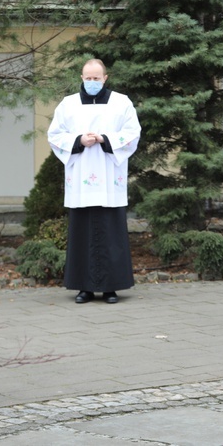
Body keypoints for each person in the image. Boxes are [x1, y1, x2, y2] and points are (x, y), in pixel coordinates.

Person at [47, 59, 141, 304]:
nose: (92, 82)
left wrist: (104, 139)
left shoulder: (122, 102)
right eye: (87, 78)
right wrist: (79, 140)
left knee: (112, 232)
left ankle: (111, 287)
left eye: (96, 78)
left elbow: (133, 133)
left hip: (110, 177)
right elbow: (55, 135)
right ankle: (83, 287)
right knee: (82, 233)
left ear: (105, 78)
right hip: (81, 180)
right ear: (81, 77)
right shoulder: (68, 104)